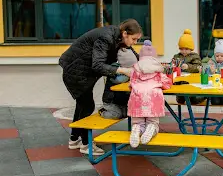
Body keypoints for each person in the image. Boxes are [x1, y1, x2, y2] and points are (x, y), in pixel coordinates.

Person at [59, 19, 143, 155]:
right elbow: (97, 65)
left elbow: (134, 55)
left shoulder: (118, 37)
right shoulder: (106, 37)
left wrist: (148, 64)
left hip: (81, 71)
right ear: (125, 33)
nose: (135, 43)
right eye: (134, 39)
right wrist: (121, 70)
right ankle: (86, 144)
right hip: (75, 71)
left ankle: (74, 139)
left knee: (82, 104)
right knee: (87, 105)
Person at [128, 40, 172, 147]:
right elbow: (166, 83)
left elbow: (131, 82)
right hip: (153, 98)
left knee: (137, 120)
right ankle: (151, 127)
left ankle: (137, 128)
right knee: (153, 120)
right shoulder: (157, 69)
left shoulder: (136, 68)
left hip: (137, 97)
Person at [99, 46, 139, 120]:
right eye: (130, 68)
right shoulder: (115, 72)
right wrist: (131, 75)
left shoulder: (127, 71)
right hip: (111, 102)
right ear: (123, 67)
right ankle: (102, 111)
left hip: (122, 101)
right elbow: (120, 80)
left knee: (127, 113)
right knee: (117, 115)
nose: (132, 70)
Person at [172, 29, 205, 105]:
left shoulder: (195, 56)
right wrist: (173, 66)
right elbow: (172, 65)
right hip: (180, 81)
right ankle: (181, 96)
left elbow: (198, 67)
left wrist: (188, 67)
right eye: (181, 49)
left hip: (192, 81)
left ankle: (204, 97)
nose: (184, 51)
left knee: (193, 100)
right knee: (180, 100)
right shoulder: (177, 56)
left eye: (186, 49)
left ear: (191, 49)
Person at [206, 39, 223, 105]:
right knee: (215, 102)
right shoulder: (212, 62)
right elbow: (206, 73)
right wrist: (210, 71)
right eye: (217, 56)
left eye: (222, 56)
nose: (219, 57)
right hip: (215, 87)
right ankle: (211, 98)